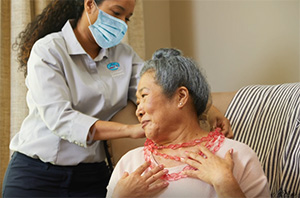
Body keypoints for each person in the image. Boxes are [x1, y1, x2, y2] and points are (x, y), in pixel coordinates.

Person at [2, 1, 231, 197]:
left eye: (127, 18)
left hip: (91, 176)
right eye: (116, 12)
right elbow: (60, 118)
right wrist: (129, 130)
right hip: (35, 174)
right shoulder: (48, 51)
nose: (121, 23)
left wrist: (208, 109)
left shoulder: (123, 55)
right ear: (90, 4)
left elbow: (161, 89)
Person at [106, 48, 271, 197]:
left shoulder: (237, 156)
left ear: (181, 97)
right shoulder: (129, 164)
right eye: (137, 101)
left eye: (144, 96)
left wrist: (225, 183)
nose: (138, 110)